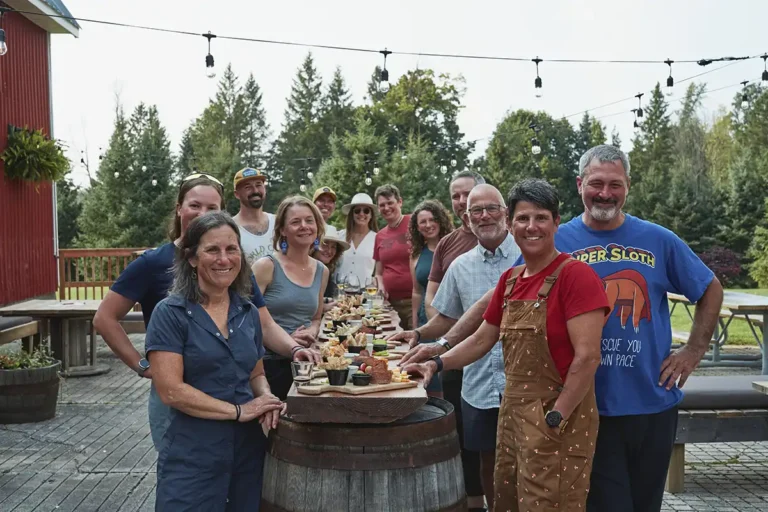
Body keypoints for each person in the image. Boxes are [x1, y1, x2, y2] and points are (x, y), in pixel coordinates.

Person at [419, 146, 724, 512]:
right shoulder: (552, 242)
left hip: (650, 400)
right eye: (596, 183)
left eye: (615, 184)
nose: (605, 193)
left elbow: (709, 288)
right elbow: (498, 303)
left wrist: (692, 351)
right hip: (589, 405)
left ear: (628, 186)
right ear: (580, 185)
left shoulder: (658, 239)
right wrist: (440, 347)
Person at [405, 179, 609, 510]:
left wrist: (557, 416)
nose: (532, 227)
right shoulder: (511, 281)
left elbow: (587, 358)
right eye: (523, 219)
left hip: (557, 417)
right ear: (511, 225)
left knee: (550, 501)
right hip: (512, 419)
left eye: (541, 218)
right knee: (508, 499)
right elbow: (482, 338)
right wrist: (436, 363)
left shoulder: (577, 277)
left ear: (556, 222)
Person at [94, 173, 317, 451]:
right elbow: (104, 318)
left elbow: (265, 324)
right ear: (179, 209)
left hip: (232, 391)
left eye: (212, 208)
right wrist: (143, 367)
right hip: (178, 397)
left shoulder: (231, 264)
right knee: (184, 475)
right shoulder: (154, 262)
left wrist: (295, 349)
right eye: (194, 205)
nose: (202, 213)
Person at [394, 184, 521, 509]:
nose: (485, 216)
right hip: (479, 382)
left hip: (523, 384)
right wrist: (418, 333)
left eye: (492, 208)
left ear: (505, 212)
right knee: (487, 463)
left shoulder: (528, 254)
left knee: (528, 464)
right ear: (466, 219)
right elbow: (448, 318)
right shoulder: (461, 265)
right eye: (476, 211)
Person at [147, 211, 285, 510]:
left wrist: (266, 398)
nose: (224, 259)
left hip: (247, 451)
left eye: (231, 249)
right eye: (212, 250)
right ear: (192, 258)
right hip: (193, 453)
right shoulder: (170, 313)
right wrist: (238, 410)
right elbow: (170, 390)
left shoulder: (247, 312)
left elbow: (256, 373)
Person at [253, 196, 329, 400]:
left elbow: (315, 318)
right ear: (283, 230)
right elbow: (246, 320)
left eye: (309, 220)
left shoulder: (322, 270)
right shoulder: (266, 267)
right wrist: (288, 341)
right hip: (269, 364)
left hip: (307, 363)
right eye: (295, 222)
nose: (304, 226)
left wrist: (311, 333)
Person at [408, 200, 453, 396]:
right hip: (427, 321)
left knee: (450, 373)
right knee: (429, 378)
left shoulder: (454, 246)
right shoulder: (416, 254)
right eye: (422, 222)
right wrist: (415, 326)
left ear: (441, 220)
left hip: (451, 318)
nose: (428, 225)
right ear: (417, 228)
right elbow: (417, 291)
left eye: (432, 220)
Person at [372, 184, 413, 329]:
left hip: (413, 301)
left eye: (390, 203)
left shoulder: (414, 224)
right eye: (382, 205)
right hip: (390, 304)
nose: (386, 208)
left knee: (416, 344)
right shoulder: (379, 236)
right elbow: (378, 272)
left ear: (400, 202)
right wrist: (381, 285)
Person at [233, 167, 275, 263]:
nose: (255, 191)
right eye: (248, 187)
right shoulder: (231, 228)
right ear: (237, 194)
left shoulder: (278, 222)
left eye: (259, 185)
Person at [337, 192, 378, 286]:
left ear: (371, 215)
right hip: (339, 291)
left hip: (364, 293)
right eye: (357, 210)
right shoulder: (339, 236)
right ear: (352, 214)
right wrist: (315, 244)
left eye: (366, 211)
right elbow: (317, 242)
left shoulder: (377, 239)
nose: (361, 214)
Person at [312, 230, 350, 307]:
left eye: (333, 247)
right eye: (325, 244)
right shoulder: (305, 270)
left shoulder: (326, 272)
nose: (329, 251)